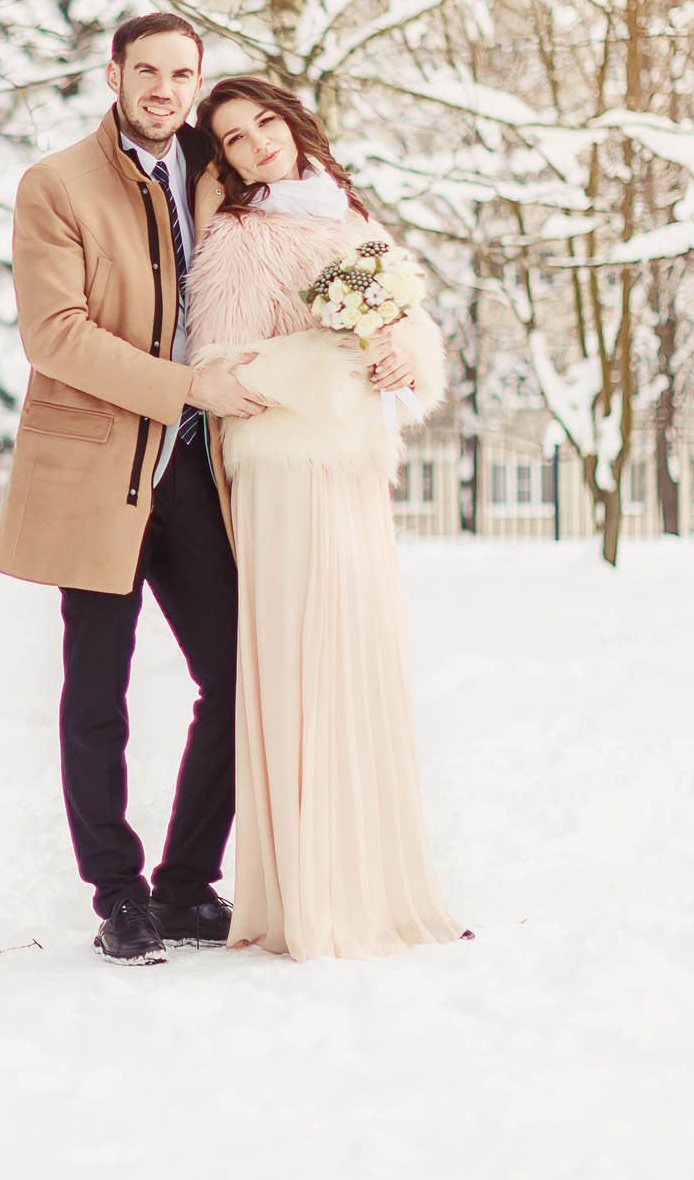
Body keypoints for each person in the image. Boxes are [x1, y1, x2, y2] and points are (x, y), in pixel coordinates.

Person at [0, 13, 269, 965]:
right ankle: (119, 894)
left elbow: (307, 238)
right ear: (113, 74)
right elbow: (55, 335)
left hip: (192, 468)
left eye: (180, 72)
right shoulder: (56, 185)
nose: (163, 88)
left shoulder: (215, 169)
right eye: (144, 69)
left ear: (199, 79)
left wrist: (379, 329)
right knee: (97, 692)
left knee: (239, 676)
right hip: (97, 467)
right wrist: (190, 384)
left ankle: (188, 885)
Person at [183, 74, 471, 961]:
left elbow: (417, 337)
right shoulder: (235, 237)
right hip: (287, 472)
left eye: (266, 122)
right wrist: (341, 352)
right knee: (307, 665)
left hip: (352, 472)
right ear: (223, 161)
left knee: (359, 660)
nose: (259, 142)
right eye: (234, 137)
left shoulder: (353, 222)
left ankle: (370, 884)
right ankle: (311, 894)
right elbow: (225, 366)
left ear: (294, 123)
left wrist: (395, 352)